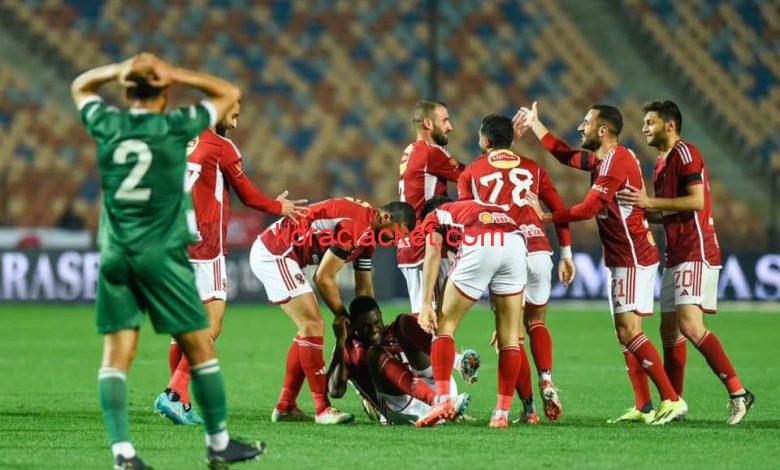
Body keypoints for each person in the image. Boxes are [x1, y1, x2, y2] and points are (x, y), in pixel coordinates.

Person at [71, 53, 263, 468]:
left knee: (116, 354)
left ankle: (123, 453)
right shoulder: (175, 127)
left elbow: (80, 87)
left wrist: (117, 70)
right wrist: (175, 72)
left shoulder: (110, 124)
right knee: (202, 340)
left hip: (116, 252)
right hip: (162, 253)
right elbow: (229, 93)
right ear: (164, 93)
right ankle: (218, 442)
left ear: (125, 91)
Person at [516, 101, 686, 425]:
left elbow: (588, 208)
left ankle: (672, 399)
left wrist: (545, 216)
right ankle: (644, 405)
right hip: (621, 256)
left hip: (633, 256)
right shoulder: (600, 159)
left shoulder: (617, 160)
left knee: (630, 330)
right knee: (625, 334)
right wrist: (536, 124)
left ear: (603, 130)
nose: (581, 127)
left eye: (586, 122)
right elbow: (565, 154)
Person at [154, 98, 307, 425]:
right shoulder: (221, 146)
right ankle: (173, 393)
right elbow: (248, 194)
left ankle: (181, 402)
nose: (235, 123)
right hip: (205, 246)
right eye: (234, 115)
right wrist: (280, 208)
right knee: (212, 325)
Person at [616, 100, 753, 425]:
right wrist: (640, 212)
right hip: (675, 253)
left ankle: (738, 393)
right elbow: (667, 211)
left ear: (670, 125)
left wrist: (650, 202)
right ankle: (673, 403)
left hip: (696, 249)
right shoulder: (662, 163)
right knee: (669, 331)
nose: (645, 128)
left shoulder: (685, 153)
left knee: (690, 325)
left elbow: (696, 200)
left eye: (650, 122)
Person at [249, 197, 415, 424]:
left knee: (307, 330)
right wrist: (344, 317)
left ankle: (286, 405)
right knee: (313, 325)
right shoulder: (356, 225)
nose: (396, 241)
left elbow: (364, 288)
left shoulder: (368, 238)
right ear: (386, 217)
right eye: (397, 233)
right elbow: (323, 277)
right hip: (275, 252)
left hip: (286, 255)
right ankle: (322, 409)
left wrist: (369, 330)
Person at [458, 114, 575, 421]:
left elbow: (466, 218)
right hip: (538, 248)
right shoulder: (534, 169)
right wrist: (566, 253)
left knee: (511, 336)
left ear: (484, 141)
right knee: (537, 322)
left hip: (504, 251)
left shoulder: (471, 172)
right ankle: (547, 380)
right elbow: (559, 210)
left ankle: (529, 409)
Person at [414, 197, 529, 428]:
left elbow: (433, 254)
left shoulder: (434, 216)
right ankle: (501, 414)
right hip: (517, 242)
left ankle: (444, 401)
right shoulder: (482, 207)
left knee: (443, 326)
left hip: (482, 238)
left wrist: (426, 304)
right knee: (509, 339)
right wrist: (516, 319)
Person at [327, 296, 476, 424]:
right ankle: (438, 403)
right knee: (375, 353)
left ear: (380, 315)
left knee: (404, 320)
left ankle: (457, 362)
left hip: (442, 390)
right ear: (354, 327)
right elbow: (335, 391)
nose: (373, 330)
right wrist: (340, 341)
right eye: (366, 327)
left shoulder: (395, 330)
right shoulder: (351, 349)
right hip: (405, 410)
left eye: (376, 322)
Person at [397, 99, 465, 314]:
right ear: (428, 123)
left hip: (408, 243)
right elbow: (474, 177)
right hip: (428, 241)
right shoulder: (431, 152)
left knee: (423, 316)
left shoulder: (410, 151)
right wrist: (503, 146)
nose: (450, 126)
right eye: (445, 120)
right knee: (437, 318)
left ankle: (430, 349)